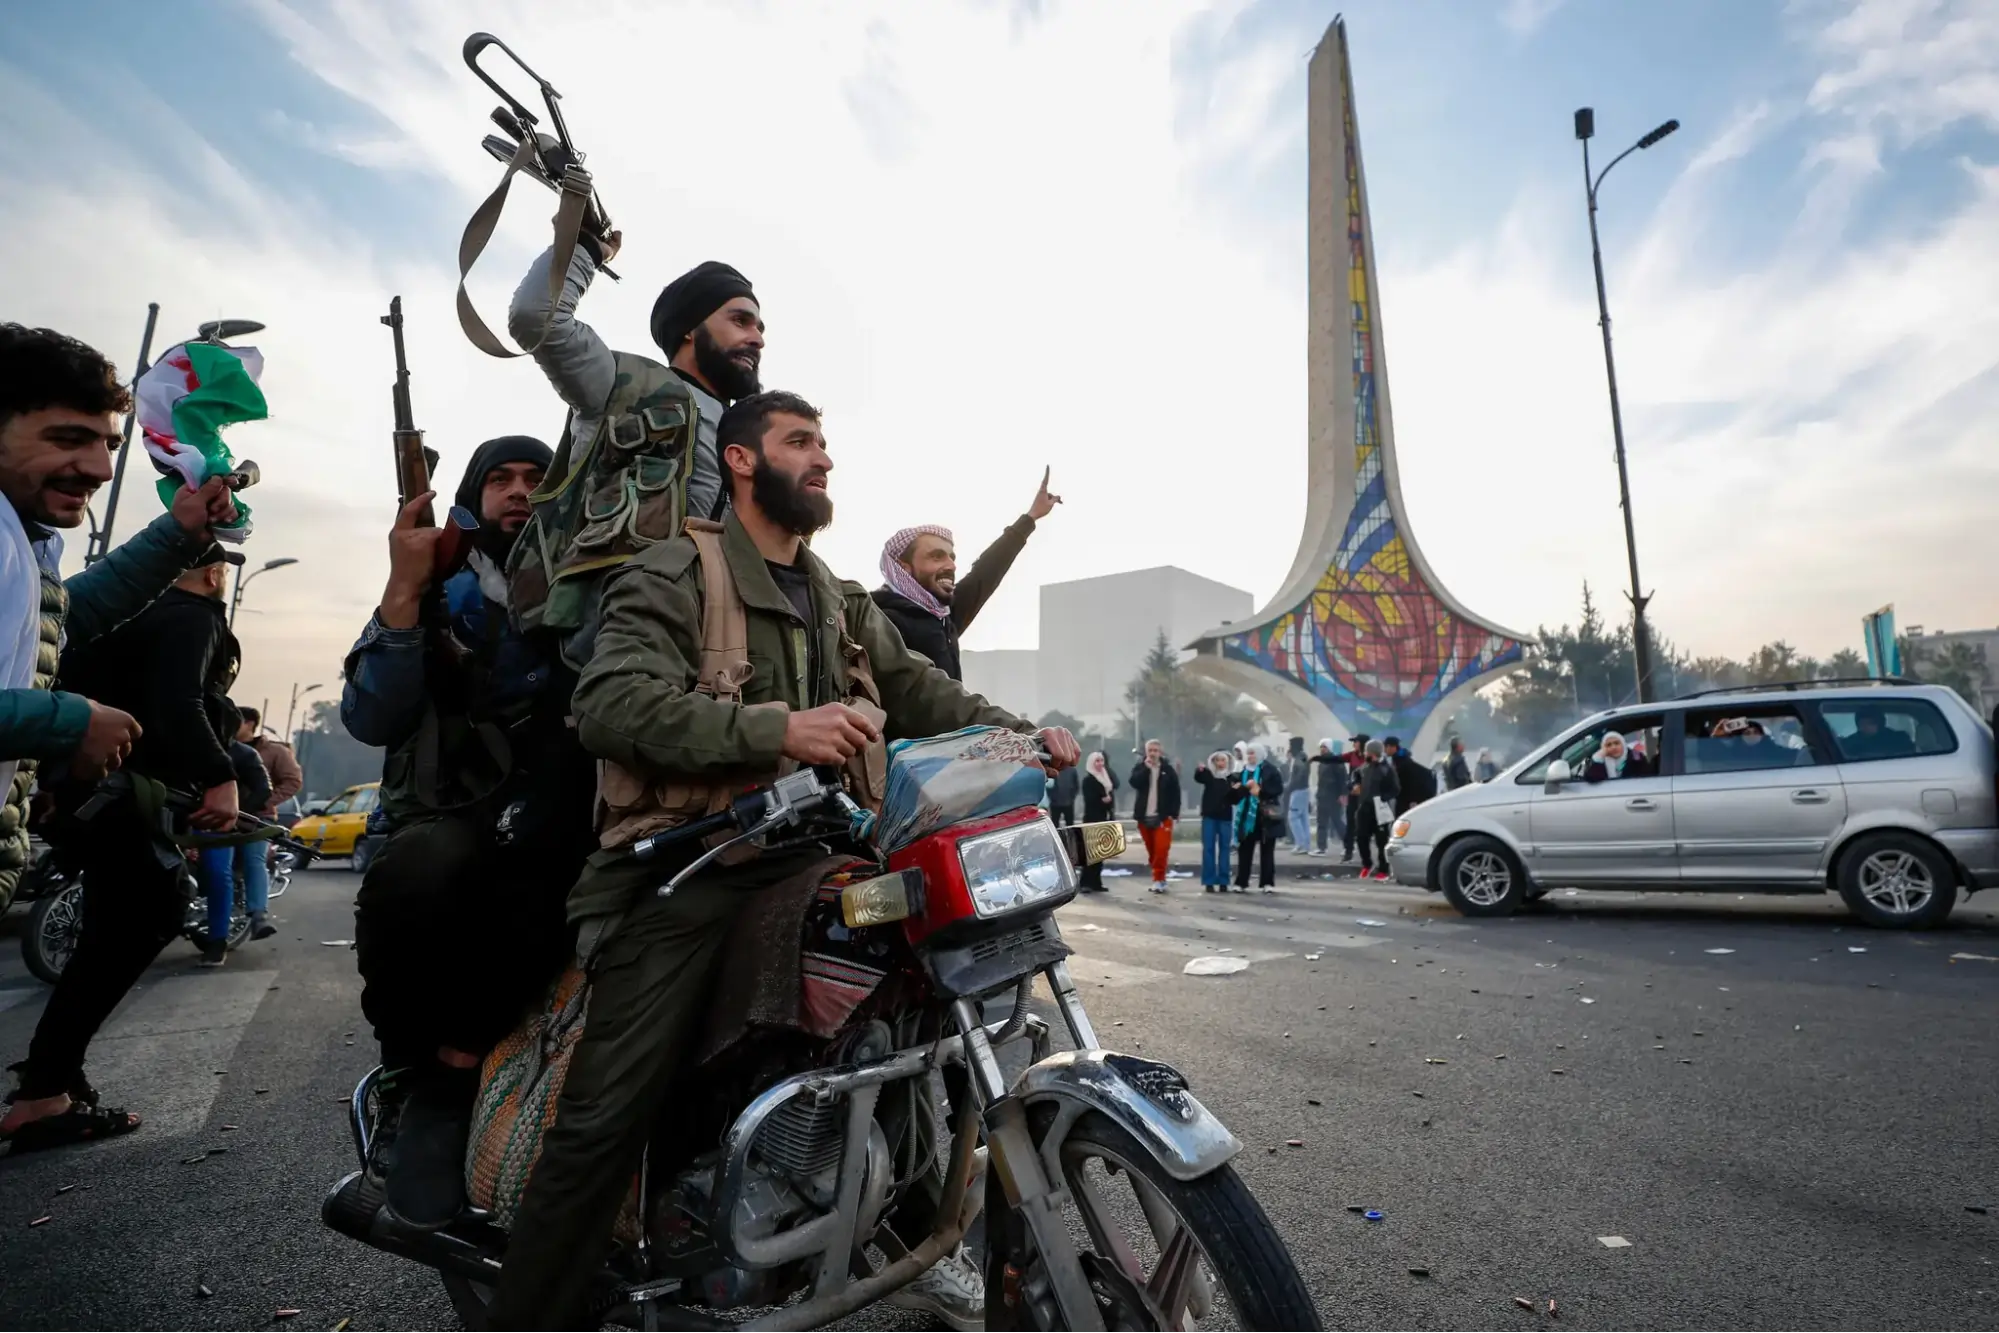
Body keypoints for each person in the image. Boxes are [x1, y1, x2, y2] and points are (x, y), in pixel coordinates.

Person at [483, 390, 1078, 1333]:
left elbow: (919, 690)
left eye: (825, 442)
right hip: (681, 872)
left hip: (817, 858)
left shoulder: (836, 596)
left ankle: (916, 1226)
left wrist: (1025, 737)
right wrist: (775, 728)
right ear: (742, 461)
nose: (823, 458)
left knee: (933, 1013)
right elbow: (608, 705)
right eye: (800, 441)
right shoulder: (675, 570)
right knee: (604, 1119)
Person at [340, 433, 596, 1230]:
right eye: (502, 478)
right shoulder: (438, 580)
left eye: (535, 478)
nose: (518, 491)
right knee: (418, 871)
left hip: (561, 807)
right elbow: (370, 712)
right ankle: (422, 1078)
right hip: (450, 809)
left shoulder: (585, 579)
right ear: (473, 492)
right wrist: (404, 591)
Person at [0, 324, 238, 1152]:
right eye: (67, 438)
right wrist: (71, 721)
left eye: (105, 443)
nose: (100, 468)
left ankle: (46, 1088)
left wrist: (177, 530)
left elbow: (71, 619)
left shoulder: (23, 541)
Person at [512, 228, 762, 529]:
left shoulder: (754, 433)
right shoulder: (621, 384)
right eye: (740, 321)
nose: (757, 339)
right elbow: (536, 318)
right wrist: (588, 250)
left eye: (760, 329)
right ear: (689, 329)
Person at [870, 469, 1061, 680]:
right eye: (937, 556)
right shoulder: (881, 622)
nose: (951, 565)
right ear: (903, 568)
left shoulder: (944, 616)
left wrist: (1031, 517)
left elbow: (985, 573)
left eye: (952, 557)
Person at [194, 700, 276, 965]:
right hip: (205, 823)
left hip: (249, 823)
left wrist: (238, 814)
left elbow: (264, 789)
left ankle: (223, 937)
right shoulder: (188, 750)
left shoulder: (245, 755)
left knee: (229, 871)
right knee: (215, 872)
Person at [1127, 739, 1180, 893]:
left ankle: (1159, 879)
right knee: (1152, 851)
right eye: (1150, 750)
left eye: (1156, 750)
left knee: (1161, 849)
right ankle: (1158, 875)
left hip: (1163, 817)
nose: (1153, 753)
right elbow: (1134, 782)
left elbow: (1175, 792)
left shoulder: (1168, 770)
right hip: (1144, 816)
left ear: (1160, 752)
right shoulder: (1140, 767)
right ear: (1146, 751)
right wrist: (1146, 768)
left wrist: (1174, 812)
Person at [1231, 743, 1282, 893]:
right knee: (1245, 850)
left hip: (1265, 815)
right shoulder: (1243, 769)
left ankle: (1267, 883)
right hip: (1247, 815)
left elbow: (1278, 789)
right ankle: (1241, 882)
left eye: (1253, 753)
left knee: (1267, 850)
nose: (1250, 756)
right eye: (1249, 753)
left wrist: (1260, 791)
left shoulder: (1270, 770)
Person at [236, 706, 301, 817]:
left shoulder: (276, 751)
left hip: (258, 816)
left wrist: (263, 801)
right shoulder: (222, 747)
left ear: (250, 724)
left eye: (235, 721)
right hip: (221, 812)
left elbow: (293, 781)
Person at [1353, 739, 1400, 879]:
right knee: (1361, 837)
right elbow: (1354, 776)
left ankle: (1383, 869)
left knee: (1381, 841)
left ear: (1373, 752)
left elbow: (1396, 789)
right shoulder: (1364, 767)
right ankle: (1367, 864)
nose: (1365, 753)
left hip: (1379, 810)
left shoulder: (1387, 769)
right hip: (1363, 807)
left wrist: (1383, 798)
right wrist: (1354, 785)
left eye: (1367, 751)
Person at [1193, 750, 1236, 892]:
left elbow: (1236, 798)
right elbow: (1199, 777)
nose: (1220, 763)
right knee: (1208, 849)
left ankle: (1224, 881)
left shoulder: (1232, 778)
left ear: (1228, 762)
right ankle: (1209, 881)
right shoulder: (1209, 776)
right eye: (1217, 760)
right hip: (1209, 817)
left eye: (1223, 760)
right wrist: (1199, 770)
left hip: (1225, 818)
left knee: (1224, 850)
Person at [1078, 750, 1118, 892]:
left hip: (1104, 817)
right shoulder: (1088, 780)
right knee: (1091, 852)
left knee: (1101, 852)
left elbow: (1115, 785)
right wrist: (1102, 799)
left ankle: (1096, 882)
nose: (1100, 764)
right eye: (1097, 761)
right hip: (1092, 818)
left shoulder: (1105, 778)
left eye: (1102, 761)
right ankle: (1085, 882)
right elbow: (1089, 799)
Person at [1309, 738, 1349, 855]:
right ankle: (1321, 848)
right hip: (1322, 796)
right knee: (1321, 822)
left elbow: (1343, 779)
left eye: (1324, 747)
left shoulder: (1336, 762)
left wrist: (1342, 794)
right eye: (1321, 747)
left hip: (1333, 797)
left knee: (1337, 821)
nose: (1322, 749)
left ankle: (1348, 845)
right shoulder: (1322, 763)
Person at [1383, 735, 1434, 817]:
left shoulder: (1402, 762)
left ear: (1391, 747)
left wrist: (1412, 800)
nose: (1384, 750)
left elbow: (1409, 781)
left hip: (1406, 799)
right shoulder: (1399, 759)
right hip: (1403, 797)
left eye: (1385, 747)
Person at [1844, 707, 1915, 760]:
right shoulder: (1850, 742)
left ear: (1880, 723)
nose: (1865, 727)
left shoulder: (1898, 739)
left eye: (1870, 723)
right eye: (1861, 724)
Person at [1583, 730, 1653, 783]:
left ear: (1623, 744)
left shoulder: (1636, 757)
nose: (1613, 747)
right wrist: (1598, 758)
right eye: (1609, 745)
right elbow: (1591, 779)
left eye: (1616, 743)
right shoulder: (1602, 761)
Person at [1283, 735, 1314, 853]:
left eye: (1291, 745)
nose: (1290, 748)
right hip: (1302, 790)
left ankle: (1300, 844)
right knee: (1303, 818)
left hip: (1298, 791)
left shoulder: (1299, 758)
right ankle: (1305, 845)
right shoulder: (1303, 757)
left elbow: (1299, 776)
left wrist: (1289, 787)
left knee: (1293, 817)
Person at [1047, 760, 1079, 825]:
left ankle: (1070, 835)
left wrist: (1071, 797)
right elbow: (1048, 785)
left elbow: (1076, 786)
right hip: (1055, 803)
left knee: (1070, 825)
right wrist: (1052, 797)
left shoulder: (1072, 770)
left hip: (1068, 803)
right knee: (1055, 825)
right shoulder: (1052, 770)